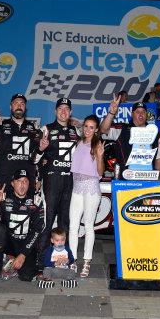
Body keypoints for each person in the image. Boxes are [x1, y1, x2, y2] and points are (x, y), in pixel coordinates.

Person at [36, 98, 80, 274]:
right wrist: (40, 150)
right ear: (55, 111)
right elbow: (35, 158)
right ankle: (41, 261)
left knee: (65, 223)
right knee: (46, 223)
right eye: (60, 108)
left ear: (70, 113)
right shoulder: (46, 129)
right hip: (51, 183)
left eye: (66, 109)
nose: (63, 111)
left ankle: (62, 260)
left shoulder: (75, 131)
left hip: (69, 183)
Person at [0, 170, 45, 283]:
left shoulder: (36, 202)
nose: (22, 184)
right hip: (9, 242)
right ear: (13, 184)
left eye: (25, 181)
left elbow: (37, 230)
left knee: (27, 276)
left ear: (29, 184)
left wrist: (23, 255)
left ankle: (11, 260)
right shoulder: (3, 198)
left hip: (26, 244)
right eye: (19, 181)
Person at [0, 93, 42, 195]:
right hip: (3, 184)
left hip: (26, 183)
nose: (19, 106)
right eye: (16, 103)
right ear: (11, 107)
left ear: (25, 108)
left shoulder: (35, 130)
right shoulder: (0, 127)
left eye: (22, 104)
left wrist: (38, 179)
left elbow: (38, 158)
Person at [68, 115, 104, 278]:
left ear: (96, 130)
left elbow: (101, 172)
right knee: (73, 226)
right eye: (86, 126)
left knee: (89, 226)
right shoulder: (79, 143)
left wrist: (101, 156)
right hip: (77, 188)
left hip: (91, 188)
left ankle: (87, 261)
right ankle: (72, 260)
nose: (87, 130)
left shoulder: (97, 145)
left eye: (91, 127)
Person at [100, 96, 160, 178]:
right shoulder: (122, 129)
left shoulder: (154, 132)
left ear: (146, 114)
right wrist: (111, 113)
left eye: (143, 112)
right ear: (132, 114)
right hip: (126, 177)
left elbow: (159, 158)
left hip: (148, 178)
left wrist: (157, 178)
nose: (141, 114)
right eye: (137, 112)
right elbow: (104, 130)